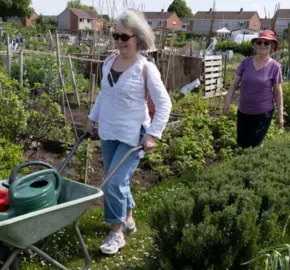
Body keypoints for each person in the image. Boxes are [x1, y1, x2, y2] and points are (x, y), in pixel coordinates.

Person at [86, 9, 172, 255]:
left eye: (125, 37)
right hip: (109, 131)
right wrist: (92, 118)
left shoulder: (146, 69)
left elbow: (164, 103)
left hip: (133, 135)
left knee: (113, 182)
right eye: (116, 36)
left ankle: (116, 233)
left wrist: (153, 134)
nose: (119, 41)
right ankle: (129, 218)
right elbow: (104, 94)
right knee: (118, 181)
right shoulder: (109, 62)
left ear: (138, 38)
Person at [223, 30, 284, 149]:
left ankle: (254, 165)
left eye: (266, 43)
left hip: (262, 112)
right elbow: (234, 84)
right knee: (241, 143)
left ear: (271, 46)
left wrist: (280, 114)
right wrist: (227, 102)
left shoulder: (275, 67)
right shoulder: (246, 62)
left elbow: (278, 91)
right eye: (259, 42)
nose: (262, 45)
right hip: (244, 111)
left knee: (254, 145)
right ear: (255, 45)